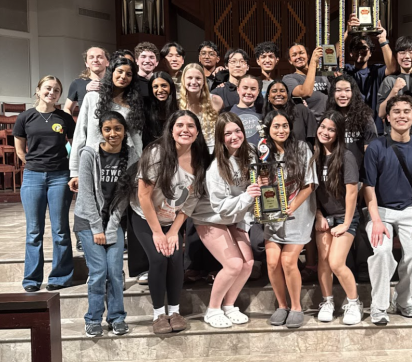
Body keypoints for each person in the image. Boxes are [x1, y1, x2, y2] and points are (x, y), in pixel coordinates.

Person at [131, 110, 211, 334]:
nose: (185, 130)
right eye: (180, 125)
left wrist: (174, 230)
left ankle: (174, 311)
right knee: (158, 258)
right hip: (145, 217)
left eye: (191, 126)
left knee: (176, 259)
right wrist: (158, 232)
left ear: (197, 132)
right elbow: (144, 196)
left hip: (172, 218)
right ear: (171, 129)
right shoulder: (156, 153)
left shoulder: (199, 158)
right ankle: (158, 315)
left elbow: (191, 201)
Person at [363, 96, 412, 323]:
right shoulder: (376, 147)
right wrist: (375, 220)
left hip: (410, 212)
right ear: (388, 117)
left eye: (406, 112)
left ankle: (403, 300)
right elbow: (369, 188)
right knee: (382, 253)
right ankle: (379, 306)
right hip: (380, 211)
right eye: (396, 112)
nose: (401, 116)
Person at [69, 111, 135, 338]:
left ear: (124, 130)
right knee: (98, 271)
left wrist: (111, 225)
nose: (113, 133)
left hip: (113, 221)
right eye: (108, 129)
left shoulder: (131, 155)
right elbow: (85, 195)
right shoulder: (89, 154)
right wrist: (97, 228)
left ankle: (117, 317)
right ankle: (93, 318)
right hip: (88, 222)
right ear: (101, 131)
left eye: (118, 128)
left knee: (116, 271)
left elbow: (125, 197)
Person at [191, 113, 259, 328]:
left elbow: (252, 190)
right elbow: (220, 206)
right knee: (233, 265)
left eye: (237, 130)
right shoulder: (216, 168)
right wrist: (248, 196)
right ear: (220, 138)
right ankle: (212, 310)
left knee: (247, 265)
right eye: (227, 133)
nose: (233, 136)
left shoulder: (251, 154)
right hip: (210, 217)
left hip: (234, 216)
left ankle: (229, 306)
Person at [14, 76, 76, 292]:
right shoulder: (25, 117)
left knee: (60, 230)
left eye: (57, 89)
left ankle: (60, 276)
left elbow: (74, 145)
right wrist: (32, 164)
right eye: (48, 88)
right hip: (33, 177)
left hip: (60, 176)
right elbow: (20, 148)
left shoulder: (64, 118)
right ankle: (31, 279)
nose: (52, 92)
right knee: (34, 231)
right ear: (38, 90)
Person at [262, 110, 318, 329]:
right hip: (273, 215)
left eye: (285, 125)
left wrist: (291, 207)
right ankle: (282, 305)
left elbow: (309, 185)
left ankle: (296, 307)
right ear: (268, 129)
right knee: (272, 261)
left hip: (299, 213)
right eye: (276, 126)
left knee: (288, 261)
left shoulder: (302, 148)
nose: (281, 130)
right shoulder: (264, 153)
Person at [312, 110, 363, 325]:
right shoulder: (313, 154)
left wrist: (346, 223)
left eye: (331, 129)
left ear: (339, 133)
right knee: (323, 262)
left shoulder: (346, 156)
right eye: (323, 127)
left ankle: (354, 302)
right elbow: (310, 190)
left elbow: (352, 192)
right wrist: (318, 215)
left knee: (336, 262)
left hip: (345, 216)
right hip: (324, 216)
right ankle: (328, 301)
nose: (325, 132)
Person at [69, 56, 144, 181]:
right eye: (120, 71)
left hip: (124, 162)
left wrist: (139, 167)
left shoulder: (133, 103)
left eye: (128, 74)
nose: (123, 76)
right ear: (111, 73)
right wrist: (75, 171)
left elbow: (137, 139)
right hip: (95, 161)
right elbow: (80, 135)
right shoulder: (92, 98)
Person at [343, 16, 396, 134]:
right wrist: (346, 33)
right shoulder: (346, 70)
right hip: (351, 126)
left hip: (375, 126)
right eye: (356, 49)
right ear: (351, 53)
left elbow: (392, 68)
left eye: (364, 48)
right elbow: (328, 58)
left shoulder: (376, 70)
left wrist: (383, 40)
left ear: (371, 52)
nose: (360, 51)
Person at [327, 75, 377, 168]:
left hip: (358, 174)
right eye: (338, 90)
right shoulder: (329, 117)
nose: (343, 94)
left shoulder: (364, 117)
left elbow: (370, 150)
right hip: (335, 172)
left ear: (353, 93)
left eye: (347, 90)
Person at [377, 35, 412, 131]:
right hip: (394, 136)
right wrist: (394, 90)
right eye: (402, 52)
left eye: (411, 52)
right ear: (396, 55)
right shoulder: (389, 80)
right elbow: (381, 113)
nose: (406, 56)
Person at [179, 63, 221, 153]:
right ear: (183, 80)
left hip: (212, 152)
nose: (194, 82)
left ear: (203, 81)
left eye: (198, 78)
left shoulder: (216, 101)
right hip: (188, 151)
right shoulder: (177, 103)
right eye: (190, 78)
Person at [262, 80, 317, 145]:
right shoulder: (265, 116)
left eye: (282, 91)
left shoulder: (301, 110)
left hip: (302, 153)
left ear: (287, 95)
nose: (278, 94)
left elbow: (314, 138)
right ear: (268, 96)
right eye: (274, 91)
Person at [283, 44, 329, 120]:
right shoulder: (289, 78)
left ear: (308, 56)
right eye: (294, 55)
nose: (298, 57)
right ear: (290, 61)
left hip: (327, 122)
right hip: (309, 123)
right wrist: (313, 62)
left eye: (301, 53)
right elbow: (305, 92)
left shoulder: (322, 76)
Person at [65, 46, 110, 114]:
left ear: (107, 62)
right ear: (86, 63)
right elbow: (67, 108)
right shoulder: (77, 83)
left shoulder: (114, 83)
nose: (95, 60)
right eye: (91, 57)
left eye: (100, 57)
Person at [143, 71, 179, 147]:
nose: (160, 90)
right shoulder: (145, 108)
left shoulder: (179, 108)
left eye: (164, 86)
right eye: (155, 87)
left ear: (171, 87)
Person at [230, 75, 263, 146]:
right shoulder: (228, 113)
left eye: (253, 89)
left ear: (258, 92)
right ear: (238, 90)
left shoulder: (263, 112)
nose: (248, 92)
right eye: (245, 88)